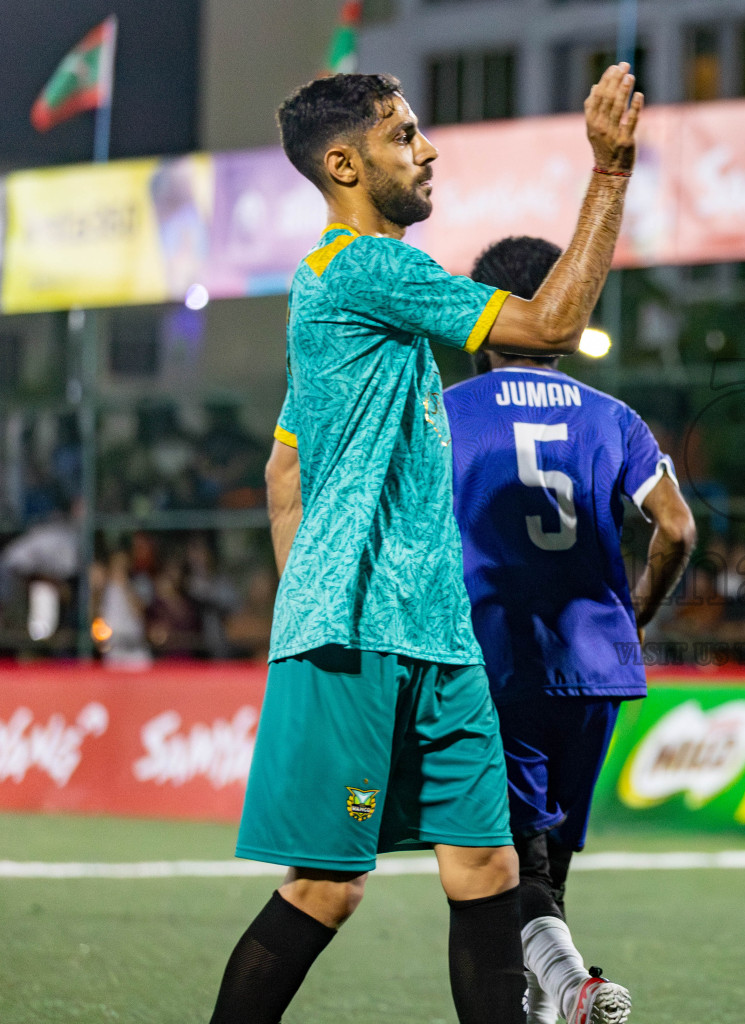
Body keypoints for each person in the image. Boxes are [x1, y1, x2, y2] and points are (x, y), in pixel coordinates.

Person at [212, 65, 642, 1024]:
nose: (428, 147)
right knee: (328, 887)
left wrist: (302, 579)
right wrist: (609, 175)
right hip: (360, 633)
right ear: (343, 163)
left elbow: (284, 472)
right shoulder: (366, 266)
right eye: (404, 135)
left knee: (488, 868)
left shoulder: (343, 306)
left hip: (441, 634)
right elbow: (553, 324)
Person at [444, 235, 696, 1024]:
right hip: (598, 667)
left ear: (486, 320)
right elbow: (679, 530)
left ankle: (572, 989)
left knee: (497, 869)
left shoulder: (447, 412)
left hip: (498, 661)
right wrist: (636, 618)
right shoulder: (614, 415)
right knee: (545, 864)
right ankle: (554, 1002)